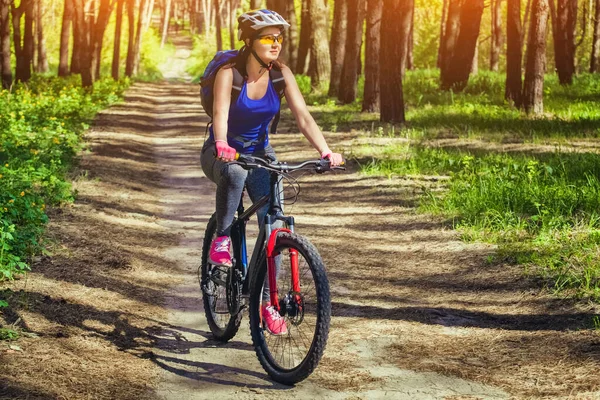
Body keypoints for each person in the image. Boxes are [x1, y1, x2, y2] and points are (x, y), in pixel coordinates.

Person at [200, 9, 343, 335]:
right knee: (234, 174)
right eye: (268, 38)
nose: (276, 44)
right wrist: (222, 143)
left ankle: (267, 301)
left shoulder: (281, 74)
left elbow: (304, 117)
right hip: (220, 151)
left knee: (272, 221)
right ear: (250, 42)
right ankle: (221, 239)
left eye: (279, 38)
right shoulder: (228, 74)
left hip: (262, 153)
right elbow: (220, 114)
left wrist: (325, 151)